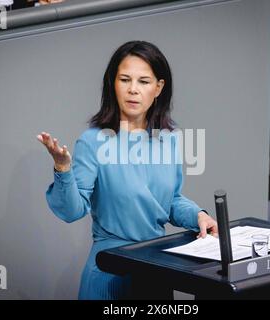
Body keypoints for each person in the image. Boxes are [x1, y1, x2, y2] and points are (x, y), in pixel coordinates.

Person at [37, 40, 218, 300]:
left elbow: (170, 201)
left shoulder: (169, 138)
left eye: (144, 82)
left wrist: (198, 216)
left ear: (159, 88)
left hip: (155, 269)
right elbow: (71, 211)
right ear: (113, 83)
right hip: (110, 272)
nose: (133, 90)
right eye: (125, 80)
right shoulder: (93, 141)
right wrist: (63, 168)